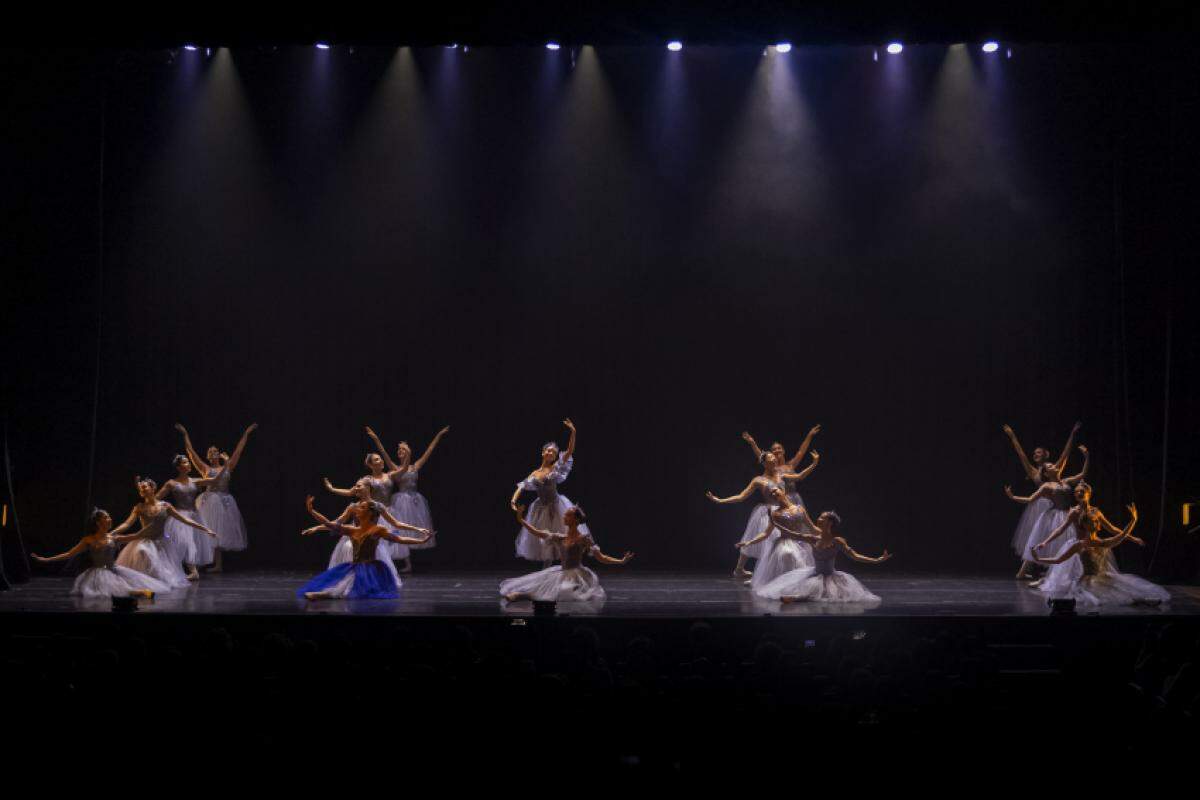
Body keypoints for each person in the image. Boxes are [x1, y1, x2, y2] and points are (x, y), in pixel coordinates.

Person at [1031, 487, 1169, 607]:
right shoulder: (1075, 521)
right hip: (1086, 569)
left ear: (1088, 493)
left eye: (1082, 491)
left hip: (1099, 567)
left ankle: (1141, 600)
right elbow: (1058, 555)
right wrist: (1041, 551)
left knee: (1118, 586)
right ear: (1084, 525)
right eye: (1077, 491)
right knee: (1100, 590)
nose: (1096, 523)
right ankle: (1138, 601)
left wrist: (1133, 523)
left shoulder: (1102, 534)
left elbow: (1116, 532)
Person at [706, 449, 818, 579]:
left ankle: (774, 574)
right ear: (764, 463)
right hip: (768, 512)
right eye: (771, 457)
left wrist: (814, 463)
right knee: (761, 539)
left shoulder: (781, 475)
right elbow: (741, 496)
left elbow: (800, 476)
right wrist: (720, 500)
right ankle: (739, 569)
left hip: (784, 511)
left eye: (774, 458)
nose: (775, 459)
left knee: (781, 543)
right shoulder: (758, 480)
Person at [298, 496, 430, 600]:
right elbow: (329, 524)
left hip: (370, 568)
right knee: (342, 584)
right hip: (354, 566)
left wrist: (420, 540)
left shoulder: (378, 529)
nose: (357, 510)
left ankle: (323, 595)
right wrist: (312, 511)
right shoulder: (352, 530)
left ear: (370, 513)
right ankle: (325, 594)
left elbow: (399, 539)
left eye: (361, 508)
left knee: (347, 588)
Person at [752, 504, 891, 603]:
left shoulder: (837, 541)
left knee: (826, 593)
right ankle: (797, 597)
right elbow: (792, 533)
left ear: (830, 523)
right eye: (820, 517)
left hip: (831, 577)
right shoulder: (813, 539)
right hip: (814, 575)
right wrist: (774, 522)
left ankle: (797, 598)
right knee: (810, 588)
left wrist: (877, 560)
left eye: (822, 518)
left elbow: (854, 556)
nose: (818, 519)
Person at [501, 504, 632, 602]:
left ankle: (524, 596)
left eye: (568, 515)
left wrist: (620, 561)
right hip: (561, 572)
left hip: (576, 575)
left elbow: (601, 557)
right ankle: (520, 595)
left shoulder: (583, 539)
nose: (564, 516)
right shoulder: (560, 537)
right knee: (540, 586)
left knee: (563, 591)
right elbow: (537, 532)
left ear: (575, 520)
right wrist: (521, 520)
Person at [31, 508, 170, 598]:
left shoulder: (114, 538)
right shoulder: (88, 540)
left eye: (109, 517)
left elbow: (136, 535)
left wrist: (154, 524)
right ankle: (140, 593)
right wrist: (46, 559)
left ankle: (140, 592)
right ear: (98, 522)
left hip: (114, 571)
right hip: (98, 574)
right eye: (106, 517)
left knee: (123, 588)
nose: (110, 519)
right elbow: (69, 554)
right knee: (116, 591)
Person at [1002, 421, 1080, 578]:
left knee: (1050, 536)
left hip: (1054, 505)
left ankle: (1049, 568)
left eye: (1038, 453)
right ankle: (1025, 571)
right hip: (1039, 505)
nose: (1035, 455)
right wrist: (1012, 436)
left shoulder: (1054, 468)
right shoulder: (1034, 472)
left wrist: (1072, 435)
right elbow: (1021, 453)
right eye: (1035, 453)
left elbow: (1066, 453)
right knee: (1037, 536)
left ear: (1046, 455)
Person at [365, 424, 448, 571]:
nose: (401, 451)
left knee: (411, 530)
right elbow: (383, 453)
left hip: (416, 500)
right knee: (399, 530)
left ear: (408, 452)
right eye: (400, 450)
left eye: (404, 450)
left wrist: (439, 435)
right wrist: (376, 439)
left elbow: (429, 450)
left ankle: (408, 563)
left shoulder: (415, 466)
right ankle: (396, 561)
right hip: (401, 501)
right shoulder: (394, 468)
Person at [178, 422, 257, 571]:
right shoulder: (205, 468)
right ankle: (199, 562)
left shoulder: (228, 465)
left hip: (225, 501)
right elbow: (191, 452)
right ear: (208, 456)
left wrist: (246, 434)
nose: (213, 452)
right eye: (211, 451)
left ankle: (218, 565)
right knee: (207, 530)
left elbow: (239, 451)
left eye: (216, 451)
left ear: (219, 454)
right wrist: (185, 435)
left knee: (219, 532)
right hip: (209, 501)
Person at [112, 477, 217, 589]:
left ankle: (152, 583)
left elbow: (185, 520)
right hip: (145, 540)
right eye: (140, 489)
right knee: (142, 551)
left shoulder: (165, 506)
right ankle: (143, 582)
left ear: (153, 489)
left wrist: (205, 529)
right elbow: (127, 524)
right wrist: (114, 532)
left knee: (161, 574)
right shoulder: (139, 507)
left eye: (145, 487)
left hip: (161, 541)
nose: (142, 489)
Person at [510, 419, 586, 565]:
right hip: (541, 508)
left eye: (554, 452)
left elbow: (569, 451)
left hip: (556, 506)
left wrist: (573, 432)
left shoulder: (555, 468)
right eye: (548, 450)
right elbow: (521, 487)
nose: (551, 452)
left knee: (562, 540)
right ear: (543, 452)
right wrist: (513, 500)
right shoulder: (535, 473)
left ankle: (569, 567)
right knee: (545, 542)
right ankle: (547, 572)